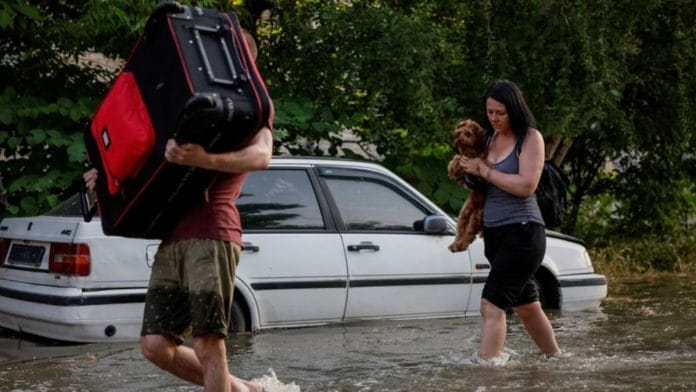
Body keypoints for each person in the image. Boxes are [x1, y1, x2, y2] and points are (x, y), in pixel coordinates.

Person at [84, 30, 271, 392]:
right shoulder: (182, 100)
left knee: (207, 343)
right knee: (155, 345)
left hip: (212, 231)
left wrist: (207, 159)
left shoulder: (251, 107)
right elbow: (150, 168)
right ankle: (246, 390)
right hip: (173, 235)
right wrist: (106, 183)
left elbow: (262, 156)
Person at [458, 80, 561, 360]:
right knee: (527, 306)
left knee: (491, 305)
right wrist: (470, 172)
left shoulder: (530, 138)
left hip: (524, 234)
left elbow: (526, 185)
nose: (493, 118)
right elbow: (486, 186)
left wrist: (485, 171)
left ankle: (490, 376)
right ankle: (556, 361)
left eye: (500, 113)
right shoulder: (489, 139)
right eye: (490, 112)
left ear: (514, 109)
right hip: (495, 234)